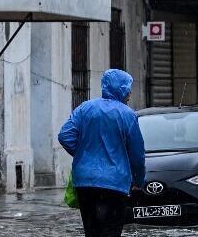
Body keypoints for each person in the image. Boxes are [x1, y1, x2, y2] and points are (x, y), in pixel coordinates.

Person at [58, 69, 146, 237]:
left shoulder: (85, 108)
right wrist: (138, 181)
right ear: (122, 90)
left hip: (85, 182)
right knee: (111, 231)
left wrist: (83, 155)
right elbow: (137, 154)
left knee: (92, 231)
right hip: (115, 183)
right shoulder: (128, 115)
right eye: (128, 89)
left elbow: (65, 135)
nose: (129, 94)